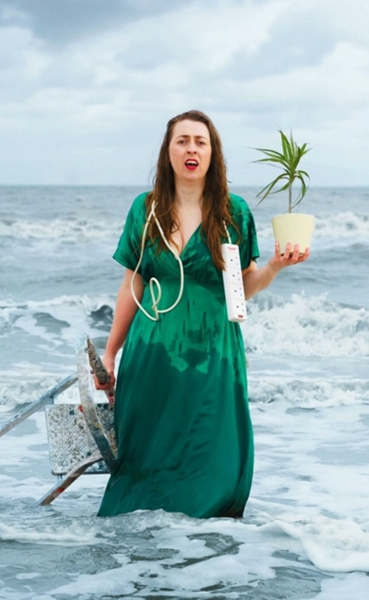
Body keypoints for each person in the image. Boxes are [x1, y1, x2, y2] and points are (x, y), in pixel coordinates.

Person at [94, 110, 309, 518]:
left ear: (212, 153)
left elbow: (241, 288)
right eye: (182, 140)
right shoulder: (146, 209)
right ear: (168, 151)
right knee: (146, 463)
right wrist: (110, 353)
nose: (191, 148)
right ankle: (144, 557)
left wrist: (275, 268)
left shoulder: (234, 212)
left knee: (216, 459)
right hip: (152, 354)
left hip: (214, 355)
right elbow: (131, 286)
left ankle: (202, 551)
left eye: (200, 141)